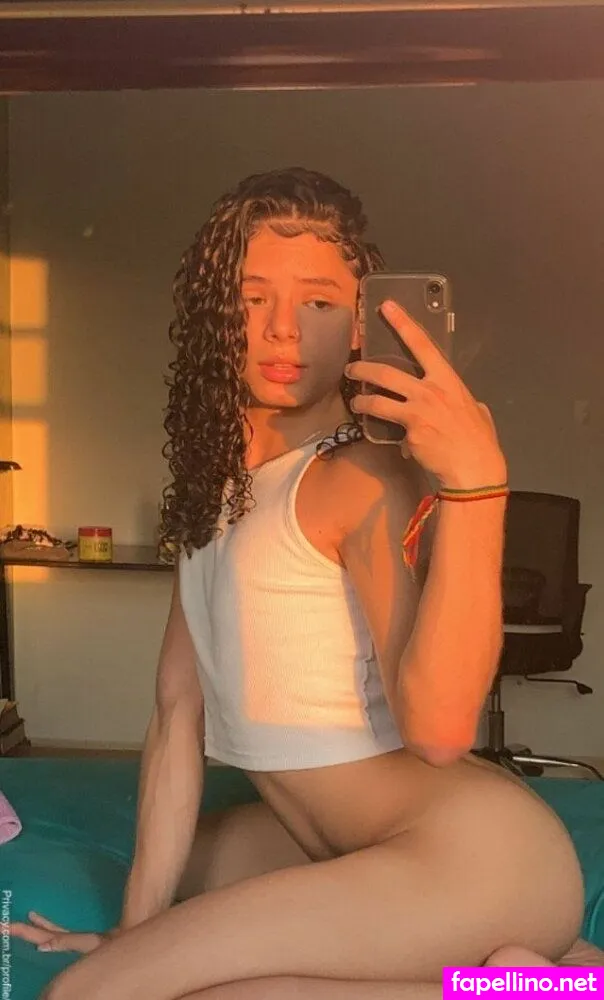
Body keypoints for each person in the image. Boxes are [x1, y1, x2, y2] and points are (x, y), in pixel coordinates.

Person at [12, 168, 602, 998]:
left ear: (359, 324)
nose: (283, 329)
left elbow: (440, 734)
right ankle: (548, 979)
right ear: (215, 315)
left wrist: (477, 489)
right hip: (336, 840)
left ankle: (535, 982)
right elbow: (177, 715)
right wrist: (131, 935)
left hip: (472, 857)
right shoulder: (217, 490)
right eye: (252, 298)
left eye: (319, 302)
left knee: (88, 994)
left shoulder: (359, 478)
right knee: (179, 899)